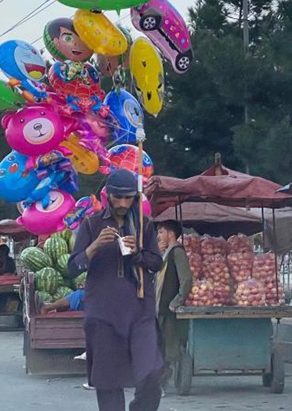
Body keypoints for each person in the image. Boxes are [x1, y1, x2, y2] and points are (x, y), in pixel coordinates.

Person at [68, 169, 164, 411]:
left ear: (135, 197)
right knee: (108, 381)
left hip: (139, 311)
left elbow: (156, 262)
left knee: (153, 372)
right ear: (108, 196)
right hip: (103, 313)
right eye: (118, 197)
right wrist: (95, 245)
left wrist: (137, 254)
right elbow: (73, 267)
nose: (123, 203)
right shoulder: (91, 224)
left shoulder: (145, 225)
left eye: (128, 198)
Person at [155, 220, 192, 388]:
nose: (159, 236)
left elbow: (186, 280)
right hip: (160, 309)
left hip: (169, 310)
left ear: (170, 234)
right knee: (160, 346)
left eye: (161, 232)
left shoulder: (177, 252)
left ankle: (162, 383)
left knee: (168, 350)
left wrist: (176, 302)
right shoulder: (166, 253)